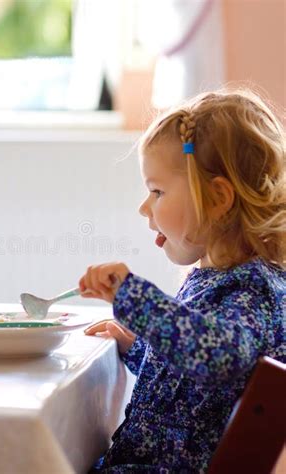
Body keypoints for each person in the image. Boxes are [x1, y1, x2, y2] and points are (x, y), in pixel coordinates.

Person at [79, 89, 286, 473]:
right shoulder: (214, 280)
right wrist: (136, 346)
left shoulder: (255, 291)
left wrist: (136, 299)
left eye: (157, 191)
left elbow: (214, 359)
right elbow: (190, 382)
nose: (145, 207)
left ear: (218, 197)